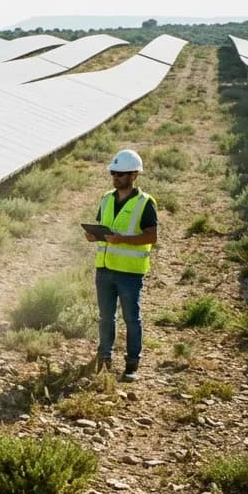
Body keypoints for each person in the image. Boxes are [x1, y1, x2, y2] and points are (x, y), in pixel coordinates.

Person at [84, 149, 158, 382]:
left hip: (129, 273)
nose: (116, 177)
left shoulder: (145, 203)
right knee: (106, 317)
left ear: (135, 175)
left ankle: (132, 364)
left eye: (121, 174)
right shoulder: (106, 198)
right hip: (105, 269)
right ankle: (104, 358)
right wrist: (93, 236)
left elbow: (151, 236)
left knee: (131, 319)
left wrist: (123, 239)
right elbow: (103, 228)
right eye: (114, 173)